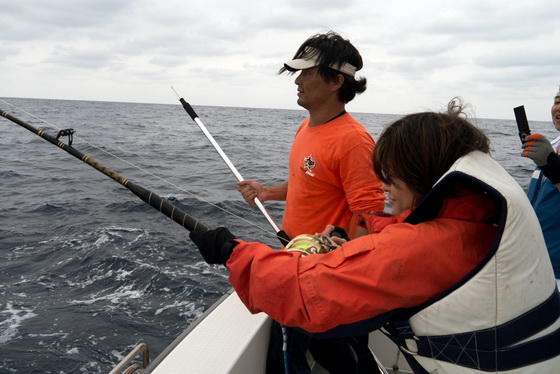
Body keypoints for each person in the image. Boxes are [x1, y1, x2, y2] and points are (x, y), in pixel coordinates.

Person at [191, 98, 560, 373]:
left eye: (391, 173)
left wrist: (232, 251)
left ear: (418, 171)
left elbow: (306, 293)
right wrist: (358, 238)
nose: (382, 184)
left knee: (298, 332)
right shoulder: (478, 216)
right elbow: (416, 232)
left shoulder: (420, 248)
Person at [236, 31, 386, 373]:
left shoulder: (353, 141)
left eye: (306, 73)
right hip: (296, 258)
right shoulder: (307, 127)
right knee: (333, 351)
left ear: (335, 81)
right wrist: (267, 192)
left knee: (287, 358)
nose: (298, 81)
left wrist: (342, 267)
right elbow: (310, 183)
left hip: (319, 274)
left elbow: (370, 214)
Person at [521, 87, 560, 289]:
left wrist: (551, 164)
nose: (558, 107)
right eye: (557, 101)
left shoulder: (549, 158)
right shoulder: (551, 148)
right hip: (535, 263)